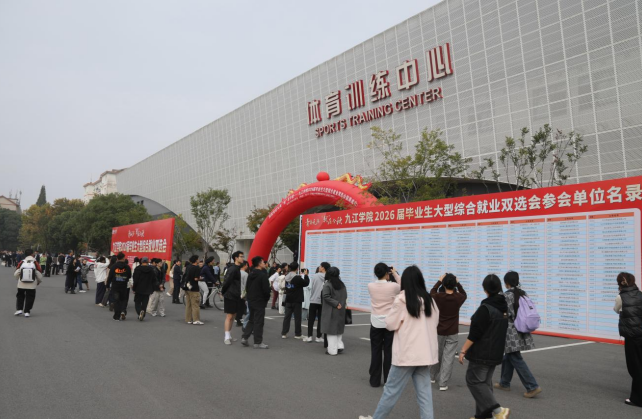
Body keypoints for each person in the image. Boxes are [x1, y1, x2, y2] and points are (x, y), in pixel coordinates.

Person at [360, 265, 439, 419]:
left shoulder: (402, 300)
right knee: (425, 396)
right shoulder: (431, 301)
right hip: (425, 354)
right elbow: (435, 323)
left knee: (391, 391)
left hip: (406, 354)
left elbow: (390, 324)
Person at [458, 274, 510, 419]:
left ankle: (498, 411)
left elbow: (475, 333)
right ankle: (483, 416)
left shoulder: (485, 308)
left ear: (485, 289)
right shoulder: (503, 307)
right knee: (484, 384)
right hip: (495, 353)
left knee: (474, 381)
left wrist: (463, 350)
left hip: (482, 353)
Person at [495, 271, 541, 398]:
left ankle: (532, 386)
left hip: (510, 331)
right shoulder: (522, 293)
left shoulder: (506, 296)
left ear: (506, 283)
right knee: (509, 355)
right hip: (521, 328)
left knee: (515, 357)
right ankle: (504, 383)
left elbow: (504, 313)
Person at [430, 272, 467, 391]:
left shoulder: (438, 297)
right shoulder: (458, 297)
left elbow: (432, 292)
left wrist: (439, 281)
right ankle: (443, 383)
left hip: (439, 330)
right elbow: (464, 294)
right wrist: (458, 283)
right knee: (449, 357)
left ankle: (432, 376)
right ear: (454, 285)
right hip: (453, 331)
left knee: (437, 354)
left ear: (444, 285)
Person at [367, 263, 401, 387]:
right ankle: (388, 380)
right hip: (389, 323)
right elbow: (403, 286)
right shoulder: (393, 286)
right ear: (387, 273)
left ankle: (374, 380)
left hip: (375, 322)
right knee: (389, 352)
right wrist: (395, 273)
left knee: (375, 351)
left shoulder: (370, 286)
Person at [614, 272, 642, 408]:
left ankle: (637, 399)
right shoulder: (640, 294)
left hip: (632, 336)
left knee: (635, 367)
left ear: (619, 283)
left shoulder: (620, 297)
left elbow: (616, 310)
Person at [241, 256, 271, 349]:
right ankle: (258, 342)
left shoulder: (251, 274)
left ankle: (245, 337)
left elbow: (247, 287)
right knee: (259, 321)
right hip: (260, 300)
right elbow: (266, 290)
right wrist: (266, 299)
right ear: (259, 264)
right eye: (263, 262)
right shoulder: (263, 275)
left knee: (252, 319)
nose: (264, 263)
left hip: (251, 300)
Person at [320, 267, 347, 354]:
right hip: (341, 309)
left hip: (331, 309)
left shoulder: (328, 284)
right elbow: (345, 296)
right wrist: (340, 304)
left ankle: (332, 350)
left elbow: (326, 296)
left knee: (331, 331)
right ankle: (339, 346)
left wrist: (336, 303)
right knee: (338, 329)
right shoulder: (342, 284)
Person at [281, 262, 310, 339]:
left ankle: (284, 333)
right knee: (297, 318)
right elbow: (306, 283)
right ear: (297, 268)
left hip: (288, 299)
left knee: (287, 317)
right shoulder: (297, 278)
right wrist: (306, 275)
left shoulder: (287, 276)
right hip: (297, 300)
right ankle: (297, 334)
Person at [304, 262, 330, 343]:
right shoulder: (329, 277)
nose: (319, 267)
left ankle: (309, 336)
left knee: (311, 319)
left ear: (323, 268)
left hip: (314, 299)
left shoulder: (315, 276)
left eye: (320, 266)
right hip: (323, 301)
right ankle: (319, 336)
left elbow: (311, 287)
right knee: (321, 319)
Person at [222, 251, 244, 344]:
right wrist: (223, 292)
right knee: (229, 316)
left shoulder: (237, 268)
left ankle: (229, 335)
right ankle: (226, 337)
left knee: (233, 315)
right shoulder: (232, 269)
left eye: (243, 256)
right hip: (230, 295)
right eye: (241, 256)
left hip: (236, 295)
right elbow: (226, 281)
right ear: (236, 258)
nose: (242, 258)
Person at [13, 249, 43, 317]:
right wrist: (39, 281)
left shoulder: (22, 262)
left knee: (20, 296)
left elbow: (16, 272)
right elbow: (38, 272)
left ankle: (19, 309)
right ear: (32, 254)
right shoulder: (35, 262)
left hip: (21, 283)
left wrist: (18, 278)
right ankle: (27, 311)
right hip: (31, 284)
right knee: (30, 297)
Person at [105, 252, 132, 321]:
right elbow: (129, 276)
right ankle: (123, 311)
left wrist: (107, 285)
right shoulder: (127, 267)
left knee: (116, 301)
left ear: (117, 258)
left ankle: (116, 316)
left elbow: (110, 276)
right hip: (124, 286)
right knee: (123, 300)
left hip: (115, 286)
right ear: (123, 258)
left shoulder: (113, 266)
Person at [183, 255, 203, 325]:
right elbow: (196, 278)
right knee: (195, 305)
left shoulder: (188, 266)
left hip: (187, 287)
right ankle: (196, 320)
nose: (199, 260)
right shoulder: (196, 267)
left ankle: (188, 319)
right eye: (198, 259)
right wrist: (201, 278)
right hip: (194, 288)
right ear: (196, 260)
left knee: (188, 305)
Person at [239, 261, 250, 328]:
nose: (247, 266)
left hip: (236, 291)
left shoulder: (237, 272)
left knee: (239, 306)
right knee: (243, 306)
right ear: (244, 265)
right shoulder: (245, 274)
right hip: (243, 291)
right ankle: (241, 320)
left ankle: (238, 318)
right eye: (247, 265)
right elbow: (246, 284)